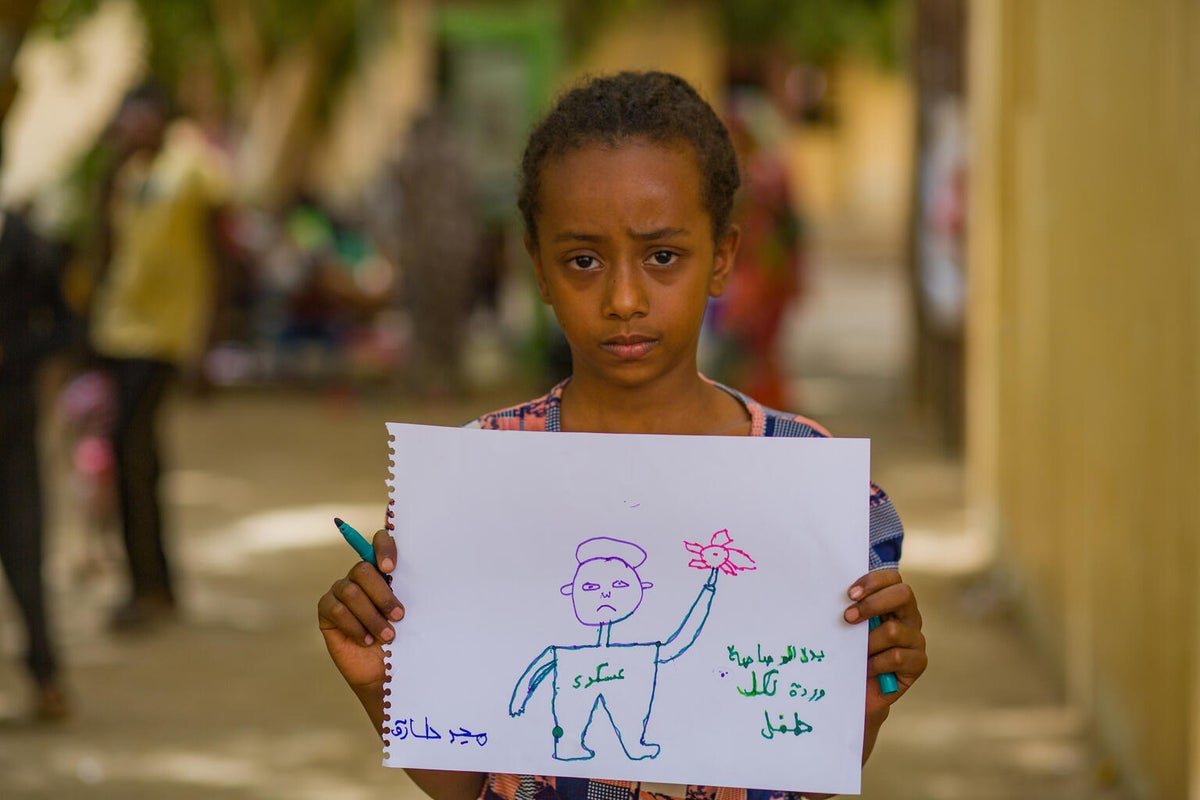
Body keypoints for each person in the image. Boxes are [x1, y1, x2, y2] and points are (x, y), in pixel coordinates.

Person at [317, 71, 926, 800]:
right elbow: (470, 778)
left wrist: (866, 694)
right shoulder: (474, 483)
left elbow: (805, 765)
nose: (624, 299)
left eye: (662, 255)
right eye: (583, 260)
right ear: (538, 267)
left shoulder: (810, 483)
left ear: (723, 257)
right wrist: (380, 680)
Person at [88, 84, 230, 629]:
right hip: (116, 335)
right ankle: (153, 584)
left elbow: (220, 253)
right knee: (134, 458)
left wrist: (211, 341)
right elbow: (107, 247)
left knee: (131, 451)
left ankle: (149, 587)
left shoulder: (192, 167)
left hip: (165, 337)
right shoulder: (127, 176)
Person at [0, 207, 73, 719]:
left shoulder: (25, 243)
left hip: (10, 421)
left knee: (25, 552)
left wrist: (14, 352)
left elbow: (67, 325)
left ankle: (47, 678)